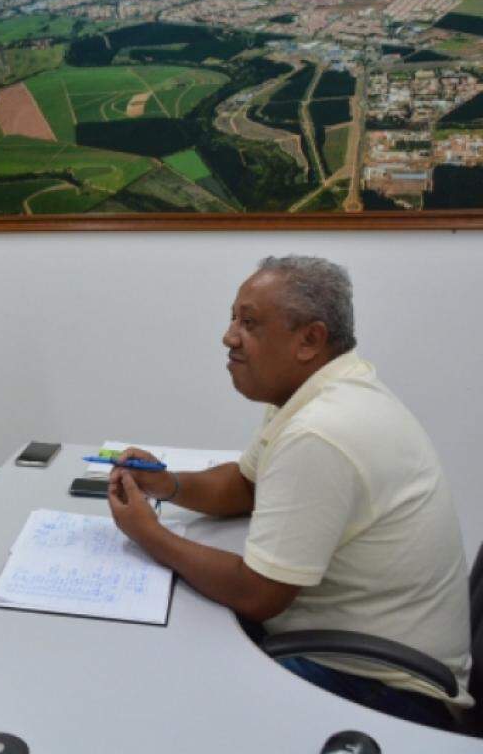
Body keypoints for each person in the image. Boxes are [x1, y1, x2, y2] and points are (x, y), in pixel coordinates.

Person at [106, 255, 473, 729]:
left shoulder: (321, 431)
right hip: (356, 652)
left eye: (250, 323)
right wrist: (168, 483)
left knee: (166, 708)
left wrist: (148, 534)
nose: (229, 336)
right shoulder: (321, 390)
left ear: (310, 340)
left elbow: (258, 594)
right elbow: (245, 485)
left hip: (383, 690)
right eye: (233, 317)